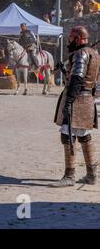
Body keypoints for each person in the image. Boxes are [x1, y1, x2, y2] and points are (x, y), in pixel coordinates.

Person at [53, 26, 99, 187]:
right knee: (84, 136)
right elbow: (84, 77)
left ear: (78, 39)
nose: (69, 42)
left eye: (71, 39)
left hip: (78, 99)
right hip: (87, 99)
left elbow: (78, 79)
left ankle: (69, 176)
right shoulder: (94, 53)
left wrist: (69, 100)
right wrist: (65, 69)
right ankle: (92, 174)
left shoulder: (80, 54)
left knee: (67, 136)